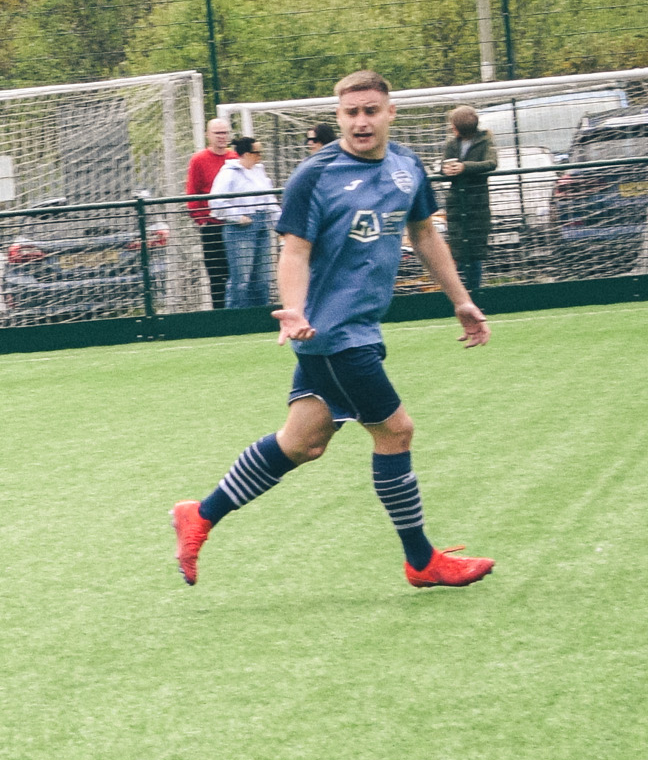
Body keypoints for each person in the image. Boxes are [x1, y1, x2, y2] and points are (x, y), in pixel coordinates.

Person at [173, 70, 493, 590]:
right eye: (351, 113)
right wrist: (294, 310)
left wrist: (461, 300)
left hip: (359, 327)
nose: (361, 121)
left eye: (370, 110)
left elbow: (425, 233)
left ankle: (200, 515)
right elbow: (293, 249)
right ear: (339, 116)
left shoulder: (408, 166)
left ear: (390, 113)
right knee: (396, 431)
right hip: (330, 333)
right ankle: (421, 560)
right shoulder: (315, 176)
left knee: (303, 442)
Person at [212, 135, 277, 309]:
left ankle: (259, 316)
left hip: (262, 223)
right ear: (247, 154)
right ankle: (235, 317)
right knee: (242, 278)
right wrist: (237, 216)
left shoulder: (259, 171)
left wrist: (279, 224)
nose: (260, 156)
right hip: (241, 229)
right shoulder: (228, 173)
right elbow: (215, 201)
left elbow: (269, 199)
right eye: (257, 153)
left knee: (262, 278)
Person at [439, 102, 498, 292]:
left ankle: (474, 292)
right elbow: (442, 167)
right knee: (457, 251)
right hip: (456, 203)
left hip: (478, 203)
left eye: (453, 125)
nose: (451, 128)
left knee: (475, 252)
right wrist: (445, 169)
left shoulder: (485, 140)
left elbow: (491, 163)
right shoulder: (451, 144)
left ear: (461, 127)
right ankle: (456, 293)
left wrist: (465, 168)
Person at [186, 117, 236, 309]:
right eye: (218, 133)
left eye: (225, 133)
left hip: (234, 224)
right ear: (208, 135)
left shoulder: (234, 158)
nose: (222, 137)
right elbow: (193, 192)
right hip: (212, 225)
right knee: (216, 274)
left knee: (238, 272)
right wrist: (201, 220)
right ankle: (220, 314)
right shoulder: (199, 160)